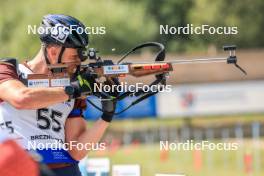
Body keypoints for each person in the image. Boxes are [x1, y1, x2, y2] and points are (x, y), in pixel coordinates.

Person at [0, 14, 116, 176]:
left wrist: (107, 116)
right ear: (53, 52)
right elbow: (21, 98)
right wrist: (72, 90)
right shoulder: (9, 70)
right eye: (74, 57)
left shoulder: (72, 82)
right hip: (22, 167)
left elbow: (76, 150)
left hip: (64, 169)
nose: (78, 63)